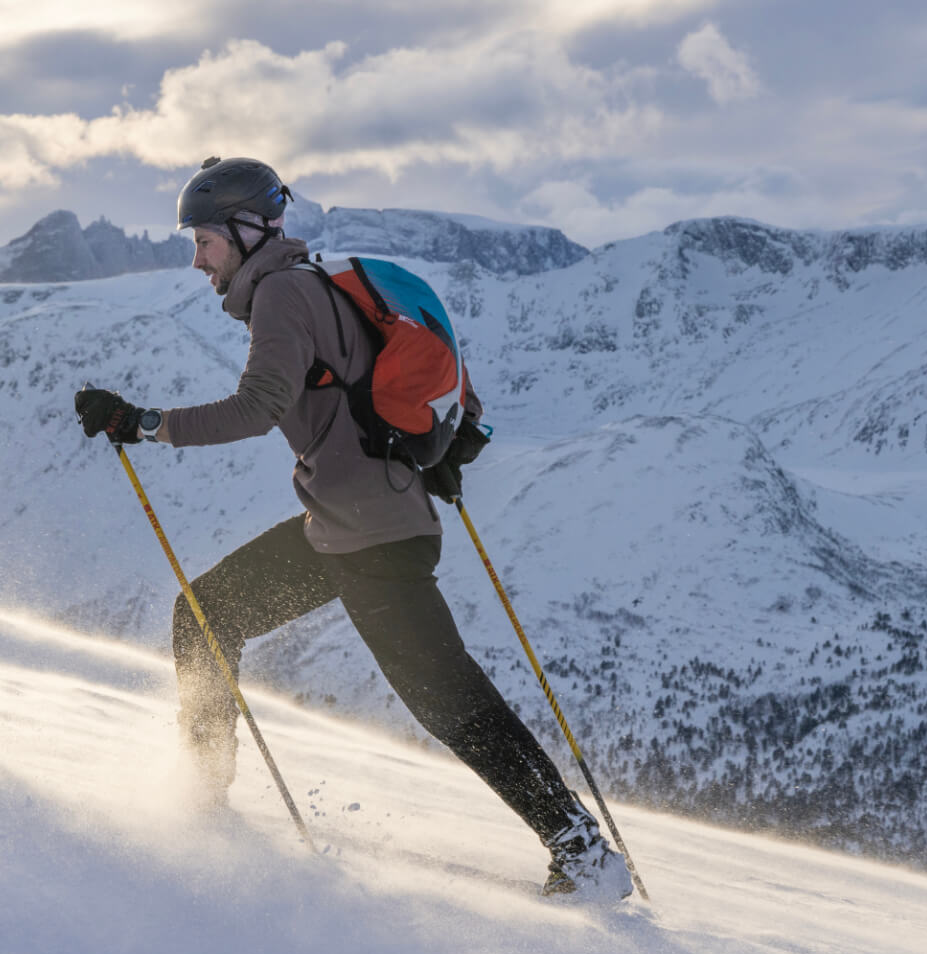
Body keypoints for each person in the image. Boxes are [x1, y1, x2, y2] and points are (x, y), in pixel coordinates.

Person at [75, 156, 631, 900]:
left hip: (369, 536)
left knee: (449, 700)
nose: (197, 258)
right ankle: (202, 800)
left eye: (204, 241)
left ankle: (582, 849)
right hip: (347, 527)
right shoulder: (312, 284)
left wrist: (140, 423)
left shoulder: (282, 295)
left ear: (245, 231)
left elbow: (257, 407)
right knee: (205, 615)